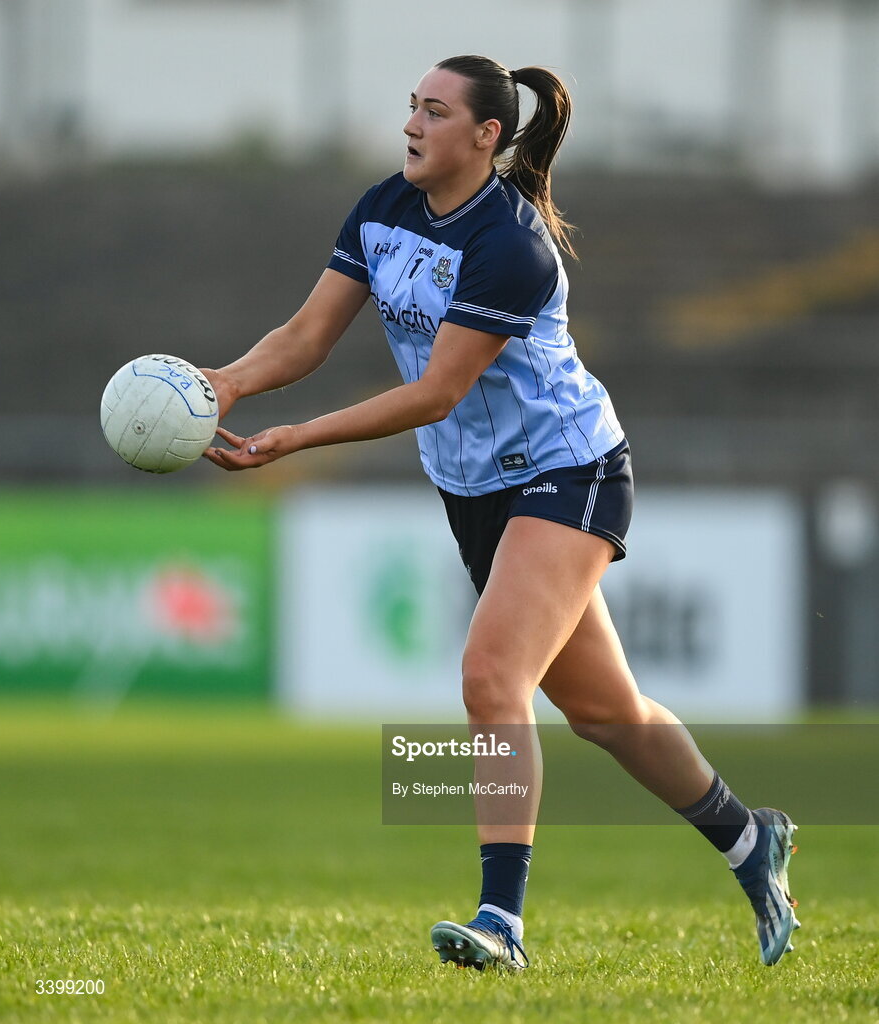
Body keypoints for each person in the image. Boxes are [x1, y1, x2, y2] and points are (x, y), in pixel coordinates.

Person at [201, 54, 799, 972]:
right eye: (411, 106)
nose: (412, 123)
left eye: (435, 112)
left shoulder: (511, 246)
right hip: (477, 492)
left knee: (490, 677)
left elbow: (438, 392)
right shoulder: (381, 208)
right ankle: (750, 840)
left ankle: (502, 923)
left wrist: (295, 438)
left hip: (570, 469)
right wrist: (227, 384)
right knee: (604, 714)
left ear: (486, 137)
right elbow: (306, 335)